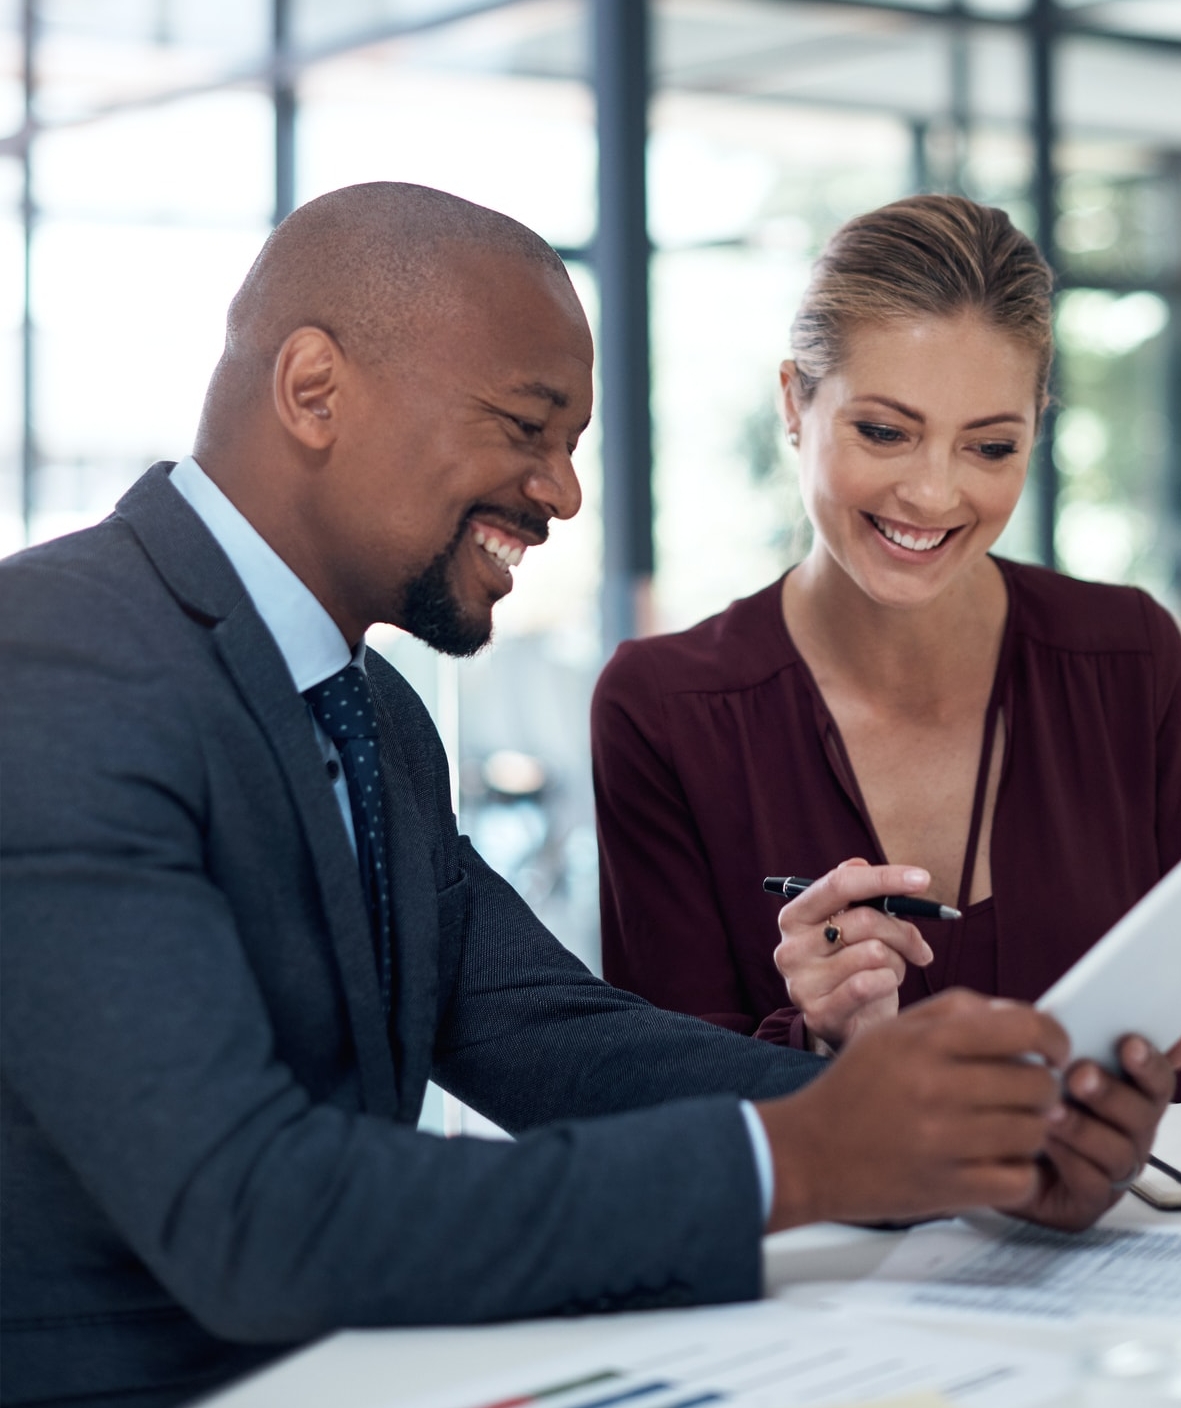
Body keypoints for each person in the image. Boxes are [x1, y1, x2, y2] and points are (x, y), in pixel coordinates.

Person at [0, 183, 1123, 1408]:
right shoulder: (53, 664)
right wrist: (799, 1156)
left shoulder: (370, 715)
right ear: (315, 389)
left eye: (572, 444)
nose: (562, 492)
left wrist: (952, 1138)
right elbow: (252, 1215)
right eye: (527, 428)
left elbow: (546, 1037)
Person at [592, 195, 1181, 1171]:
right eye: (884, 431)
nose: (934, 493)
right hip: (829, 1287)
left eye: (989, 445)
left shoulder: (1125, 656)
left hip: (1115, 1268)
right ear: (793, 404)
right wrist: (816, 1044)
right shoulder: (663, 710)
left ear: (1034, 432)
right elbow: (657, 1109)